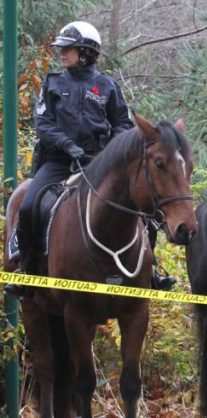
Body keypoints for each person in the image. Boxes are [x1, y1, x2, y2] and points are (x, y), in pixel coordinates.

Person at [5, 21, 174, 297]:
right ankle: (27, 270)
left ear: (84, 53)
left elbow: (122, 124)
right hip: (58, 162)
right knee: (28, 206)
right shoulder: (52, 83)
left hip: (99, 163)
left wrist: (110, 151)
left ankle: (150, 270)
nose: (61, 54)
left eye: (67, 49)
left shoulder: (107, 86)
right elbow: (43, 124)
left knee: (144, 209)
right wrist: (68, 146)